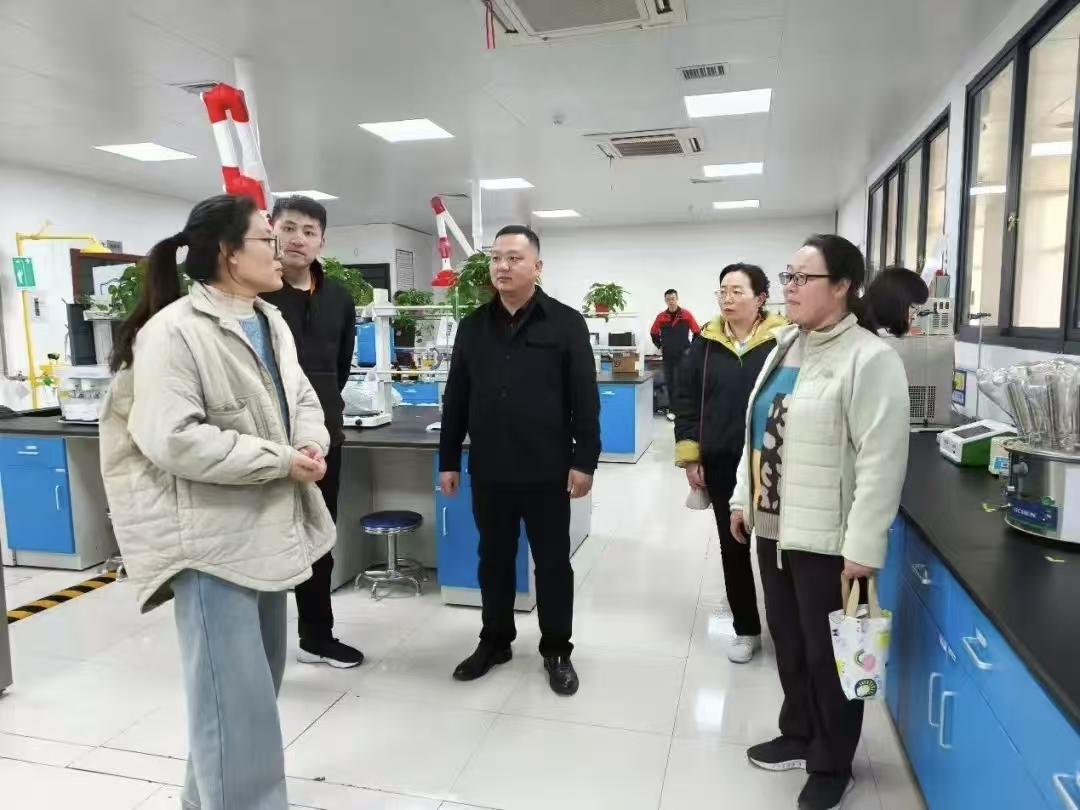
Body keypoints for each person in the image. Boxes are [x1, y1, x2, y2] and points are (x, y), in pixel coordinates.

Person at [99, 194, 336, 810]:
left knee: (245, 697)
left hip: (265, 530)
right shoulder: (174, 331)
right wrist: (278, 460)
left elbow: (301, 396)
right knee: (235, 706)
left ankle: (200, 801)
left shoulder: (269, 319)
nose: (281, 250)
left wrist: (309, 441)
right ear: (230, 254)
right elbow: (173, 438)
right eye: (268, 239)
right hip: (210, 544)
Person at [729, 235, 909, 810]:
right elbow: (758, 431)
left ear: (842, 287)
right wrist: (742, 499)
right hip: (773, 528)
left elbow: (882, 462)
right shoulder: (786, 345)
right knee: (789, 642)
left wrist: (864, 545)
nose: (790, 287)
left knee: (829, 657)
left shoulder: (869, 358)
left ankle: (832, 762)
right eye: (788, 276)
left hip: (828, 539)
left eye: (803, 278)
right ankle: (799, 732)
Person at [439, 224, 600, 696]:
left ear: (537, 266)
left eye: (513, 258)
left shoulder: (566, 324)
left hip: (548, 469)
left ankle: (557, 649)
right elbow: (457, 397)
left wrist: (585, 461)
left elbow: (584, 400)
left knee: (552, 564)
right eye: (496, 258)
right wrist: (448, 459)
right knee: (493, 559)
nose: (502, 266)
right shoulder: (473, 326)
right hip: (490, 468)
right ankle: (495, 641)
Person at [262, 194, 364, 669]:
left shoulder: (339, 298)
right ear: (272, 231)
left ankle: (316, 637)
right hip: (263, 440)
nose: (297, 239)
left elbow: (339, 368)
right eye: (288, 228)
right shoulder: (256, 294)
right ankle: (254, 642)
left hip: (323, 440)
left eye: (308, 231)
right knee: (262, 539)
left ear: (322, 241)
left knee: (319, 537)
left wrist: (318, 422)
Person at [673, 263, 786, 664]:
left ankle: (786, 631)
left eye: (737, 291)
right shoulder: (705, 342)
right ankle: (746, 630)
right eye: (723, 291)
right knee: (733, 547)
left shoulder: (783, 340)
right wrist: (691, 456)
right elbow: (685, 399)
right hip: (721, 459)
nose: (728, 298)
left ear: (761, 298)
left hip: (772, 461)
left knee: (776, 551)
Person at [650, 289, 700, 420]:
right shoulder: (661, 317)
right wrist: (660, 346)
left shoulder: (686, 315)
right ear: (665, 301)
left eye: (673, 299)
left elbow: (697, 332)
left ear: (677, 299)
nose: (671, 302)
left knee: (684, 382)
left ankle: (685, 410)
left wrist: (691, 349)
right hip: (668, 356)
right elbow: (653, 333)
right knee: (670, 382)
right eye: (668, 299)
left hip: (684, 355)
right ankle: (673, 411)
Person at [863, 266, 929, 337]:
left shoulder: (867, 326)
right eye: (911, 307)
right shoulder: (862, 334)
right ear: (896, 303)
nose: (913, 317)